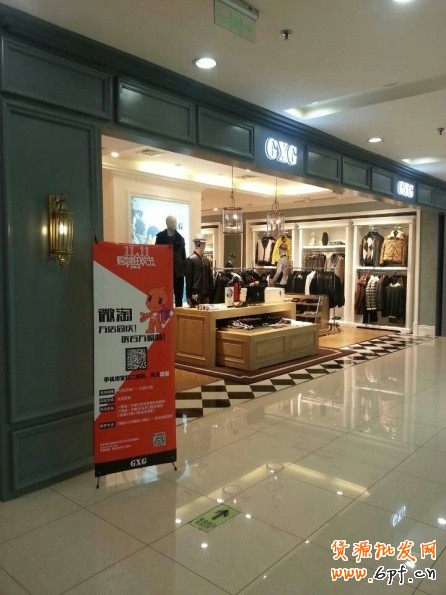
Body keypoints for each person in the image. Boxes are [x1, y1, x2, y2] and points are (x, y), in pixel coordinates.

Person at [155, 216, 186, 307]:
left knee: (179, 297)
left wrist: (183, 270)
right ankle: (165, 314)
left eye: (176, 222)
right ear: (168, 223)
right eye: (173, 222)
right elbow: (156, 255)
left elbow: (183, 256)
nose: (175, 224)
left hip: (178, 272)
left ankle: (178, 314)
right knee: (164, 296)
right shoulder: (160, 237)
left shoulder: (180, 238)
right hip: (164, 272)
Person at [185, 235, 213, 307]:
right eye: (203, 243)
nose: (204, 245)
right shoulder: (190, 260)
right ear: (198, 244)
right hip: (195, 294)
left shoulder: (207, 261)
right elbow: (188, 279)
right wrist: (188, 296)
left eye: (204, 243)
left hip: (206, 295)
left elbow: (210, 278)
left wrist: (209, 294)